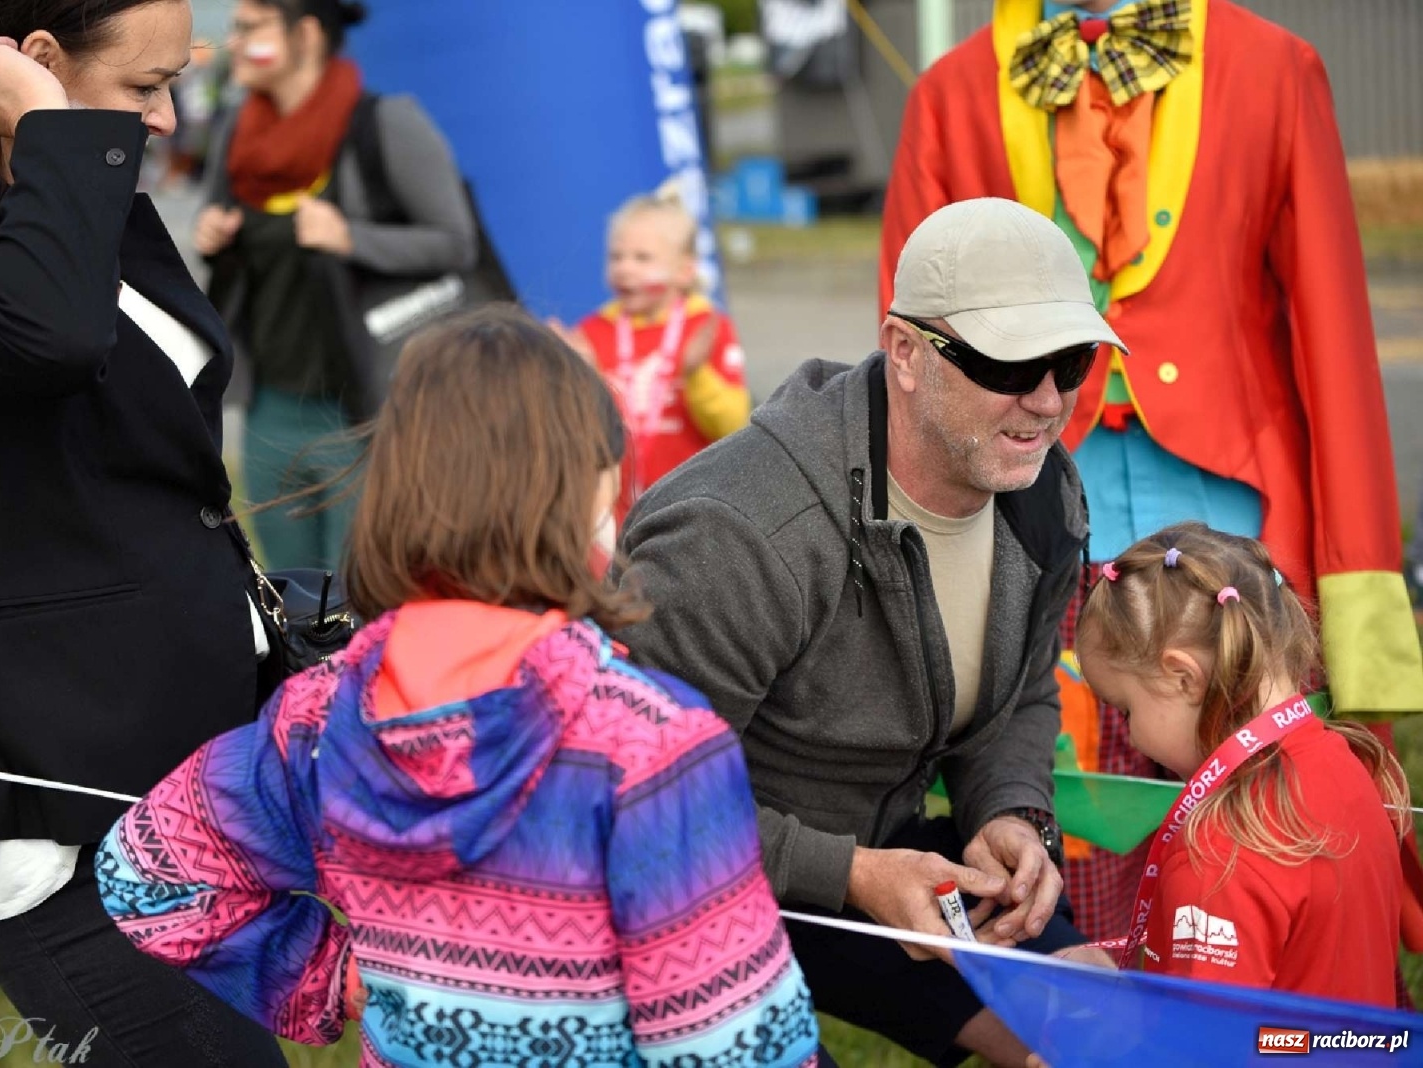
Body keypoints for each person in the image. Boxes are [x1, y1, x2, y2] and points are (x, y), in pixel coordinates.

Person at [97, 306, 823, 1068]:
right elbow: (737, 1047)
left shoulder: (318, 718)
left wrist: (330, 976)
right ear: (588, 496)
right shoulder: (653, 747)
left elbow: (149, 872)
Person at [878, 0, 1423, 941]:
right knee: (1061, 800)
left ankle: (1278, 995)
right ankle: (1101, 1000)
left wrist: (1357, 570)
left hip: (1235, 514)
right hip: (1030, 516)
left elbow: (1332, 328)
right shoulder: (952, 92)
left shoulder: (1276, 68)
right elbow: (914, 363)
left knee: (1269, 803)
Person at [0, 1, 291, 1062]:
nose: (167, 120)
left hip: (177, 769)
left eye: (173, 85)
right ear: (35, 64)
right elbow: (48, 338)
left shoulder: (95, 209)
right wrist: (57, 131)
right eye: (142, 88)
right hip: (44, 808)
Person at [615, 196, 1122, 1068]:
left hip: (886, 859)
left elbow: (1026, 690)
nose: (1047, 401)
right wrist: (851, 876)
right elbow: (636, 802)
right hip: (701, 886)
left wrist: (1008, 809)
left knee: (1100, 1033)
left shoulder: (1038, 491)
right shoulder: (737, 534)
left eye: (1072, 359)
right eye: (1012, 363)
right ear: (905, 354)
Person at [1076, 522, 1410, 1005]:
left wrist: (1100, 1042)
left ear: (1183, 677)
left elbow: (1199, 1047)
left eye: (1125, 709)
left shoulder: (1215, 858)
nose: (1128, 733)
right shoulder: (1348, 765)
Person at [199, 0, 479, 572]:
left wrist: (351, 237)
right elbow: (222, 240)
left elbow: (456, 243)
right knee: (293, 597)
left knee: (361, 597)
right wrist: (211, 237)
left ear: (306, 34)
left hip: (365, 407)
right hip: (271, 409)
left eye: (250, 27)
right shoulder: (238, 133)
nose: (234, 41)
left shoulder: (385, 122)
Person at [550, 187, 750, 523]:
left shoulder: (706, 327)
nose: (625, 269)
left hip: (692, 510)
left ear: (684, 271)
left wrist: (695, 372)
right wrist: (579, 375)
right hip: (611, 515)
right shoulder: (591, 332)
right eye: (616, 257)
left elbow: (732, 426)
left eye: (642, 258)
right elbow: (574, 437)